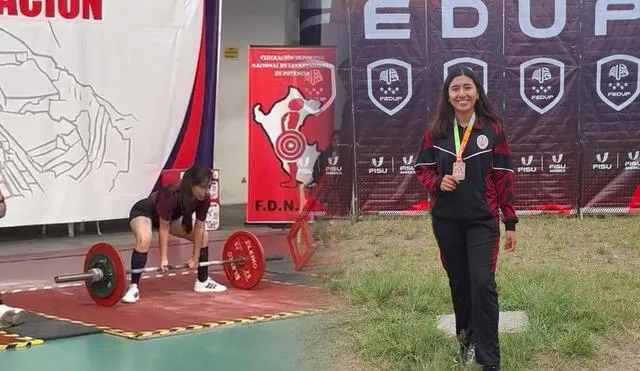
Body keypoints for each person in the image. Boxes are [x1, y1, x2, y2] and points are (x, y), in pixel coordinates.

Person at [414, 68, 518, 371]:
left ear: (477, 92)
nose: (461, 94)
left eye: (467, 87)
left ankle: (489, 359)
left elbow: (504, 177)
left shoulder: (492, 129)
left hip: (482, 220)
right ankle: (466, 343)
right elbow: (422, 167)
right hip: (446, 221)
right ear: (447, 94)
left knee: (482, 283)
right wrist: (437, 182)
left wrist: (509, 221)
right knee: (459, 283)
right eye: (455, 88)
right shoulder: (437, 130)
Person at [121, 165, 227, 304]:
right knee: (144, 239)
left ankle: (202, 280)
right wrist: (163, 259)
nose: (205, 191)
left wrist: (195, 258)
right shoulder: (171, 195)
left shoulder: (204, 199)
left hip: (170, 219)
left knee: (204, 236)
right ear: (191, 185)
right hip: (144, 212)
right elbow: (163, 229)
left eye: (208, 187)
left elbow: (199, 227)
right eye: (202, 187)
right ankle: (134, 287)